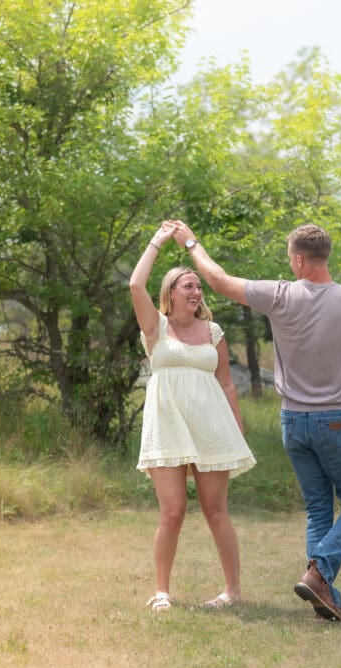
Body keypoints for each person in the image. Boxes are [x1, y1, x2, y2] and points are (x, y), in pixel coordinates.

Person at [167, 219, 341, 622]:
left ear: (297, 260)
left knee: (318, 508)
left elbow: (218, 280)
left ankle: (326, 597)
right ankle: (319, 570)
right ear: (325, 257)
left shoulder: (278, 295)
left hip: (293, 421)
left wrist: (189, 241)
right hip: (337, 421)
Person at [129, 221, 257, 612]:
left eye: (198, 286)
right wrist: (159, 241)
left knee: (216, 510)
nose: (196, 290)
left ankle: (232, 591)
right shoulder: (156, 327)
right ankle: (162, 591)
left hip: (211, 427)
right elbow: (135, 286)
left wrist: (236, 428)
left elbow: (228, 384)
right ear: (170, 293)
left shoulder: (213, 331)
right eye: (188, 285)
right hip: (167, 425)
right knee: (172, 511)